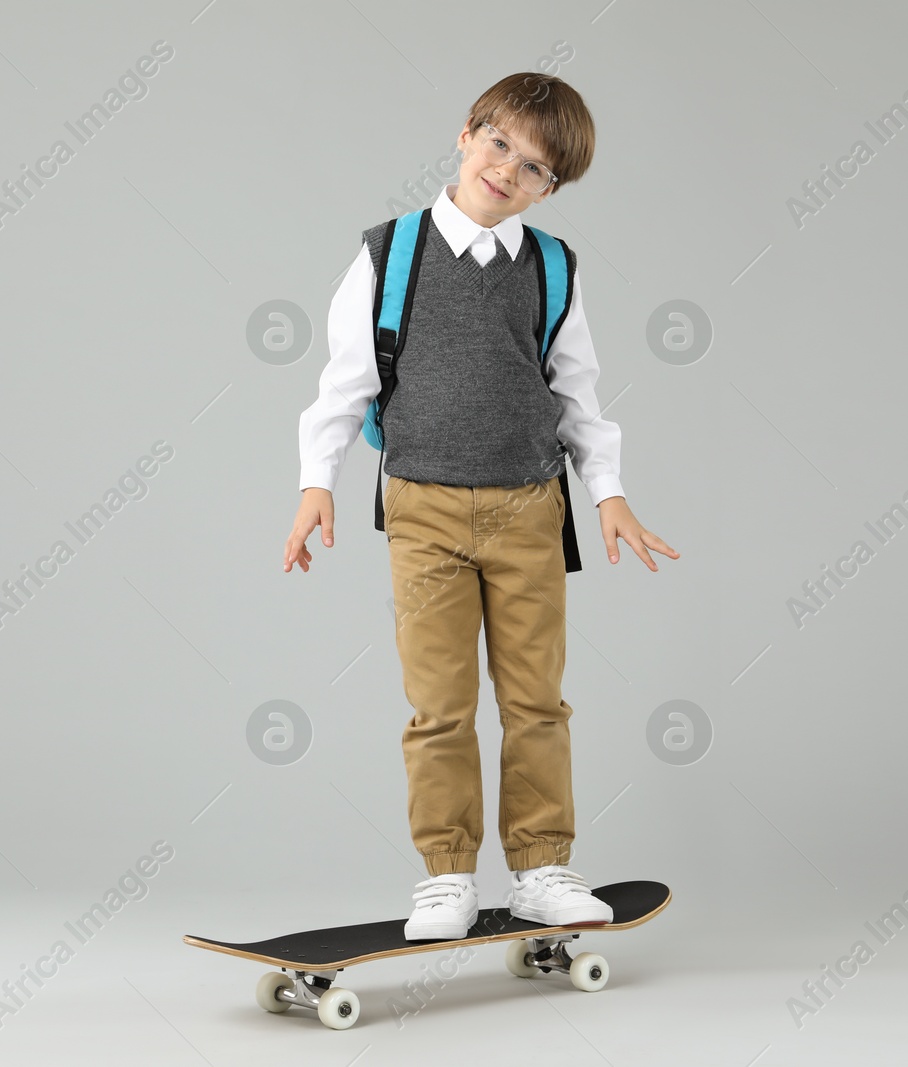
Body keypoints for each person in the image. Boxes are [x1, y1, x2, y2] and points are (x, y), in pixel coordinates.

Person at [284, 72, 678, 940]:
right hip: (422, 510)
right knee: (441, 701)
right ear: (467, 134)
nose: (509, 170)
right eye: (500, 143)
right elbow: (344, 382)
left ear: (550, 189)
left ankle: (541, 868)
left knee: (537, 698)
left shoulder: (553, 267)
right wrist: (319, 483)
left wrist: (606, 494)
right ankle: (448, 875)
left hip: (531, 509)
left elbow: (577, 392)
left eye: (535, 168)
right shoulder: (390, 254)